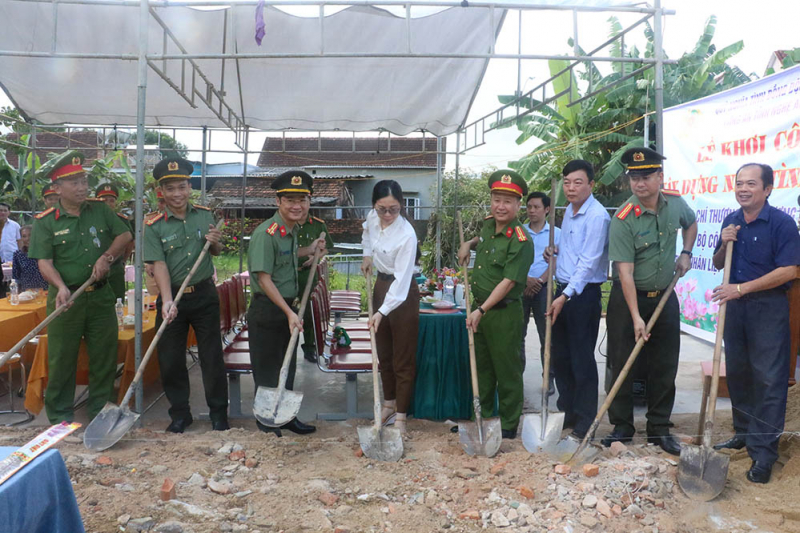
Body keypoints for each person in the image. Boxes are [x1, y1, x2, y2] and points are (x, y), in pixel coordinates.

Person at [601, 147, 697, 456]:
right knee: (621, 363)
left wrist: (686, 252)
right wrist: (636, 317)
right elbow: (625, 274)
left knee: (664, 364)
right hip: (627, 299)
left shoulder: (676, 204)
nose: (639, 184)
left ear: (659, 177)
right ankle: (622, 427)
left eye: (645, 177)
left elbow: (691, 223)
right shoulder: (623, 218)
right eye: (633, 178)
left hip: (664, 296)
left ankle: (658, 429)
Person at [710, 163, 800, 483]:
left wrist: (741, 288)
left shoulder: (782, 223)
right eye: (738, 183)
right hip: (736, 310)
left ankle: (764, 453)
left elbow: (790, 270)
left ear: (767, 189)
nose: (743, 189)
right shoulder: (732, 220)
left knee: (768, 380)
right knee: (739, 374)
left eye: (751, 183)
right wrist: (724, 242)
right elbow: (718, 262)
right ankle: (744, 433)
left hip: (768, 308)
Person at [29, 151, 132, 423]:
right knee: (62, 360)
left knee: (104, 359)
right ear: (58, 188)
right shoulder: (46, 221)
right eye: (74, 182)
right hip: (65, 301)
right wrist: (61, 286)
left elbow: (124, 234)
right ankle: (60, 418)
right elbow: (45, 262)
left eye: (83, 180)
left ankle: (100, 413)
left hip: (100, 297)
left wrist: (107, 257)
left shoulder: (99, 209)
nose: (82, 186)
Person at [144, 157, 229, 433]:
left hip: (204, 295)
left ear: (189, 186)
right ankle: (180, 414)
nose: (177, 194)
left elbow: (214, 252)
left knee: (212, 356)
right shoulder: (154, 226)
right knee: (170, 359)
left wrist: (216, 243)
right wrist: (167, 300)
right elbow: (159, 266)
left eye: (182, 187)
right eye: (170, 189)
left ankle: (219, 413)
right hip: (172, 298)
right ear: (162, 192)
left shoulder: (204, 215)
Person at [247, 170, 326, 437]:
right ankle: (268, 425)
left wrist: (311, 249)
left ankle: (286, 417)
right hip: (268, 311)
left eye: (302, 200)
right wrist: (288, 311)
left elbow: (288, 258)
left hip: (285, 310)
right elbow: (264, 278)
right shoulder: (266, 233)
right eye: (290, 200)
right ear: (278, 201)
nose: (297, 206)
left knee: (288, 366)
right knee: (269, 370)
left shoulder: (289, 232)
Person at [458, 170, 534, 439]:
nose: (501, 206)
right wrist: (468, 243)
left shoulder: (522, 240)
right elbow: (484, 238)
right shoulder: (489, 226)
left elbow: (509, 282)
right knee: (482, 369)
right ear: (491, 201)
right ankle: (483, 418)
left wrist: (481, 310)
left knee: (507, 370)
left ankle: (509, 425)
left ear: (518, 205)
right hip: (480, 311)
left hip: (502, 313)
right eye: (497, 199)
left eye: (508, 201)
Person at [544, 160, 609, 441]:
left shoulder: (598, 216)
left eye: (577, 182)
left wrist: (566, 295)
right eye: (567, 182)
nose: (571, 188)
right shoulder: (570, 211)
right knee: (561, 356)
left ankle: (585, 420)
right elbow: (572, 252)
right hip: (563, 289)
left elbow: (588, 262)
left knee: (582, 358)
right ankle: (566, 411)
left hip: (582, 295)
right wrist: (555, 253)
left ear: (591, 185)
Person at [360, 180, 420, 434]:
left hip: (403, 295)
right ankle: (389, 403)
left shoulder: (407, 235)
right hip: (380, 285)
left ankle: (402, 416)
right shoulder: (372, 218)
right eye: (382, 209)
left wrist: (381, 312)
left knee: (402, 357)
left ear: (401, 205)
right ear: (374, 205)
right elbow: (366, 233)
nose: (387, 215)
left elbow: (402, 281)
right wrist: (367, 255)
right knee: (383, 353)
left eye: (393, 209)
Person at [520, 191, 561, 388]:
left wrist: (539, 282)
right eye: (529, 207)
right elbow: (513, 260)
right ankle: (516, 375)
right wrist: (525, 280)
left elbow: (557, 262)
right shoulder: (519, 232)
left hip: (545, 289)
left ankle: (549, 378)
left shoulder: (556, 234)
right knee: (517, 334)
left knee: (547, 335)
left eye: (536, 207)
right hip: (520, 286)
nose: (532, 211)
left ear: (547, 209)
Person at [297, 209, 334, 363]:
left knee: (309, 311)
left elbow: (327, 247)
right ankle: (285, 345)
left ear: (308, 203)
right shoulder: (285, 224)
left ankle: (309, 347)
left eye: (303, 200)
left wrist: (315, 257)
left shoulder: (318, 225)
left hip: (308, 274)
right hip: (287, 273)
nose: (299, 205)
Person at [96, 183, 134, 300]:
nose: (107, 204)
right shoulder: (90, 220)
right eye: (104, 200)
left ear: (115, 203)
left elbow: (129, 243)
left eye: (111, 200)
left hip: (115, 268)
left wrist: (123, 261)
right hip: (94, 269)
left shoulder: (122, 220)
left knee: (118, 301)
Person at [12, 225, 48, 291]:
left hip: (44, 290)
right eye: (24, 236)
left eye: (30, 235)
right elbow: (16, 277)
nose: (27, 238)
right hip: (27, 292)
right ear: (21, 238)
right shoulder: (18, 254)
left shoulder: (45, 251)